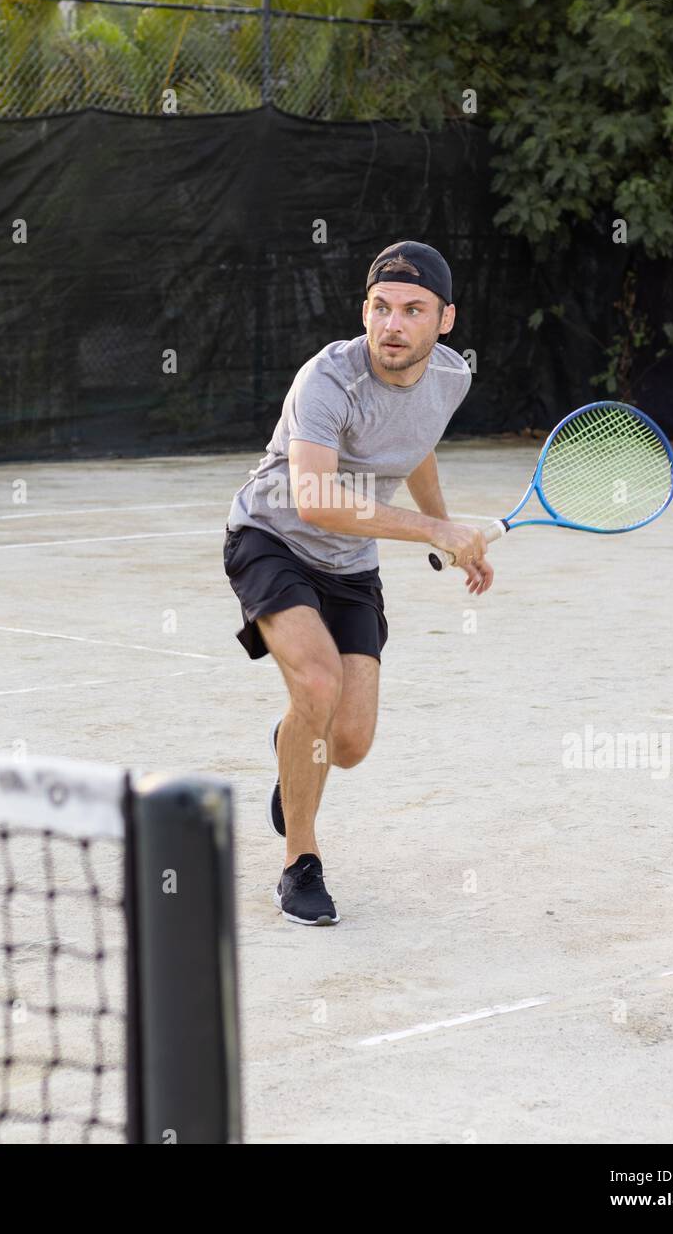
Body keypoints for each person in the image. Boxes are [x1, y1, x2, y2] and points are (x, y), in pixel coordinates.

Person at [223, 241, 493, 925]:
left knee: (347, 743)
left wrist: (446, 529)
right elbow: (312, 498)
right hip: (272, 539)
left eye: (411, 310)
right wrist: (431, 532)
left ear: (445, 320)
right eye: (379, 307)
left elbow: (417, 439)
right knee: (316, 682)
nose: (392, 324)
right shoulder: (327, 379)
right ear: (363, 311)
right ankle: (300, 864)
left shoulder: (450, 378)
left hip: (349, 566)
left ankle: (293, 745)